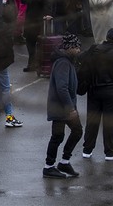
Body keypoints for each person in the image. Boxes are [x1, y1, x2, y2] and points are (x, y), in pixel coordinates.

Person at [80, 29, 113, 161]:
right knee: (110, 122)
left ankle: (87, 149)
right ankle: (110, 152)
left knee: (92, 120)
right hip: (112, 92)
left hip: (94, 89)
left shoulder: (94, 49)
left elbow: (81, 58)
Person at [42, 33, 83, 179]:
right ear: (70, 47)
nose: (79, 50)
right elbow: (62, 87)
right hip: (61, 107)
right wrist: (70, 108)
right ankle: (49, 166)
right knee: (58, 136)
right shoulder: (63, 63)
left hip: (64, 106)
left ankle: (64, 161)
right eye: (77, 47)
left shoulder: (68, 61)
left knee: (75, 131)